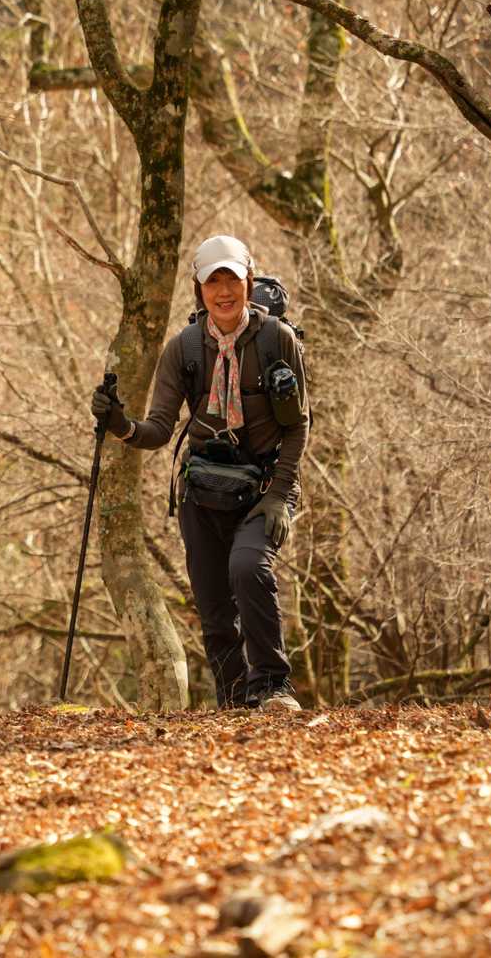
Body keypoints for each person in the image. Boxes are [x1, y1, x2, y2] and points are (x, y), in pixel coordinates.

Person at [90, 234, 310, 711]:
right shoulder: (184, 348)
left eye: (233, 279)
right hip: (204, 487)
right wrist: (120, 425)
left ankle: (273, 688)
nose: (224, 291)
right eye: (213, 282)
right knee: (212, 605)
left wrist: (279, 495)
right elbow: (157, 430)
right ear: (199, 288)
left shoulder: (278, 339)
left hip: (266, 485)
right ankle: (234, 703)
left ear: (249, 281)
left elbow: (299, 425)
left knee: (248, 567)